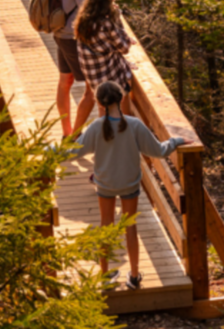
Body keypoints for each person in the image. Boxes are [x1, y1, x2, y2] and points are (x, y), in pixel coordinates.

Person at [70, 81, 186, 290]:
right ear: (121, 98)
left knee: (106, 225)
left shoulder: (96, 127)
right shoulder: (134, 125)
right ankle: (134, 276)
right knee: (130, 226)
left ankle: (105, 276)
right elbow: (159, 151)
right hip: (129, 184)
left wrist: (50, 150)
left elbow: (74, 152)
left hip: (105, 185)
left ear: (98, 101)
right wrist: (175, 141)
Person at [55, 0, 107, 137]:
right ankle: (75, 136)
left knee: (64, 82)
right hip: (73, 37)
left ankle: (67, 133)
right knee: (91, 89)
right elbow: (87, 9)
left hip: (60, 32)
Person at [73, 0, 134, 117]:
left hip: (91, 74)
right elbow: (124, 48)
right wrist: (117, 19)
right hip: (105, 75)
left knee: (103, 108)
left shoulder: (83, 18)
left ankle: (105, 133)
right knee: (125, 86)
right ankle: (126, 124)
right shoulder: (105, 22)